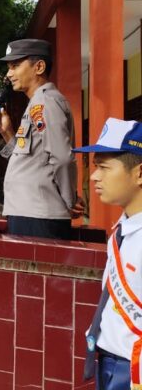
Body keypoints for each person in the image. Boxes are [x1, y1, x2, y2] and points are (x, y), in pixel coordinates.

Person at [76, 118, 142, 389]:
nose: (94, 176)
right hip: (111, 361)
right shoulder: (123, 227)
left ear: (139, 173)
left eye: (103, 167)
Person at [0, 39, 82, 239]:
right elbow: (28, 158)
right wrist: (7, 131)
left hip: (39, 216)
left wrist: (69, 202)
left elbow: (62, 158)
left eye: (15, 66)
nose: (9, 74)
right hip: (27, 212)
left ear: (39, 67)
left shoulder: (46, 102)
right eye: (9, 68)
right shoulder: (36, 103)